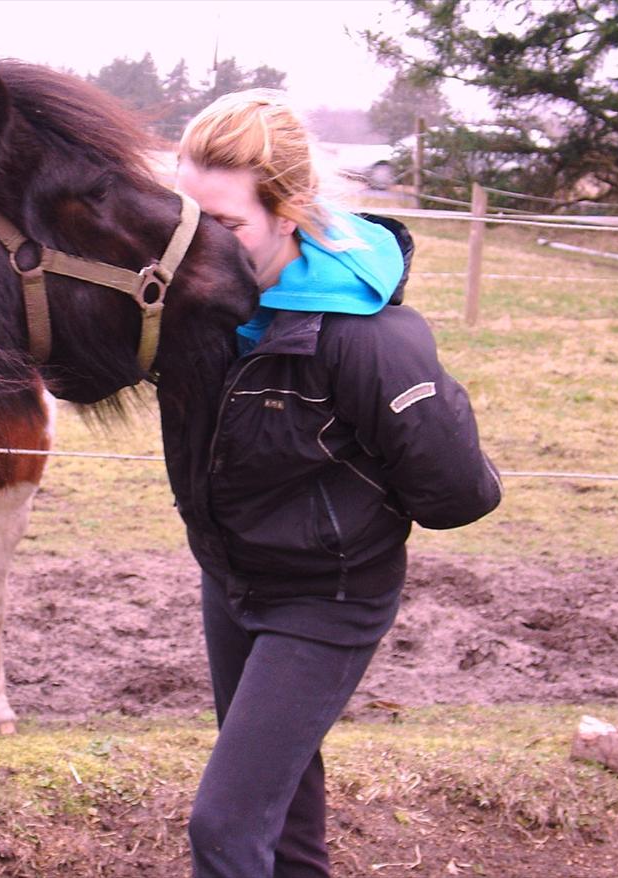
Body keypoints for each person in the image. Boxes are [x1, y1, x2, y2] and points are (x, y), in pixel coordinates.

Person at [168, 90, 503, 878]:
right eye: (185, 220)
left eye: (223, 226)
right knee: (278, 817)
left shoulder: (368, 339)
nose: (196, 248)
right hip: (231, 578)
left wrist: (353, 510)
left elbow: (458, 492)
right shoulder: (199, 309)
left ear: (288, 214)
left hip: (330, 595)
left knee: (222, 827)